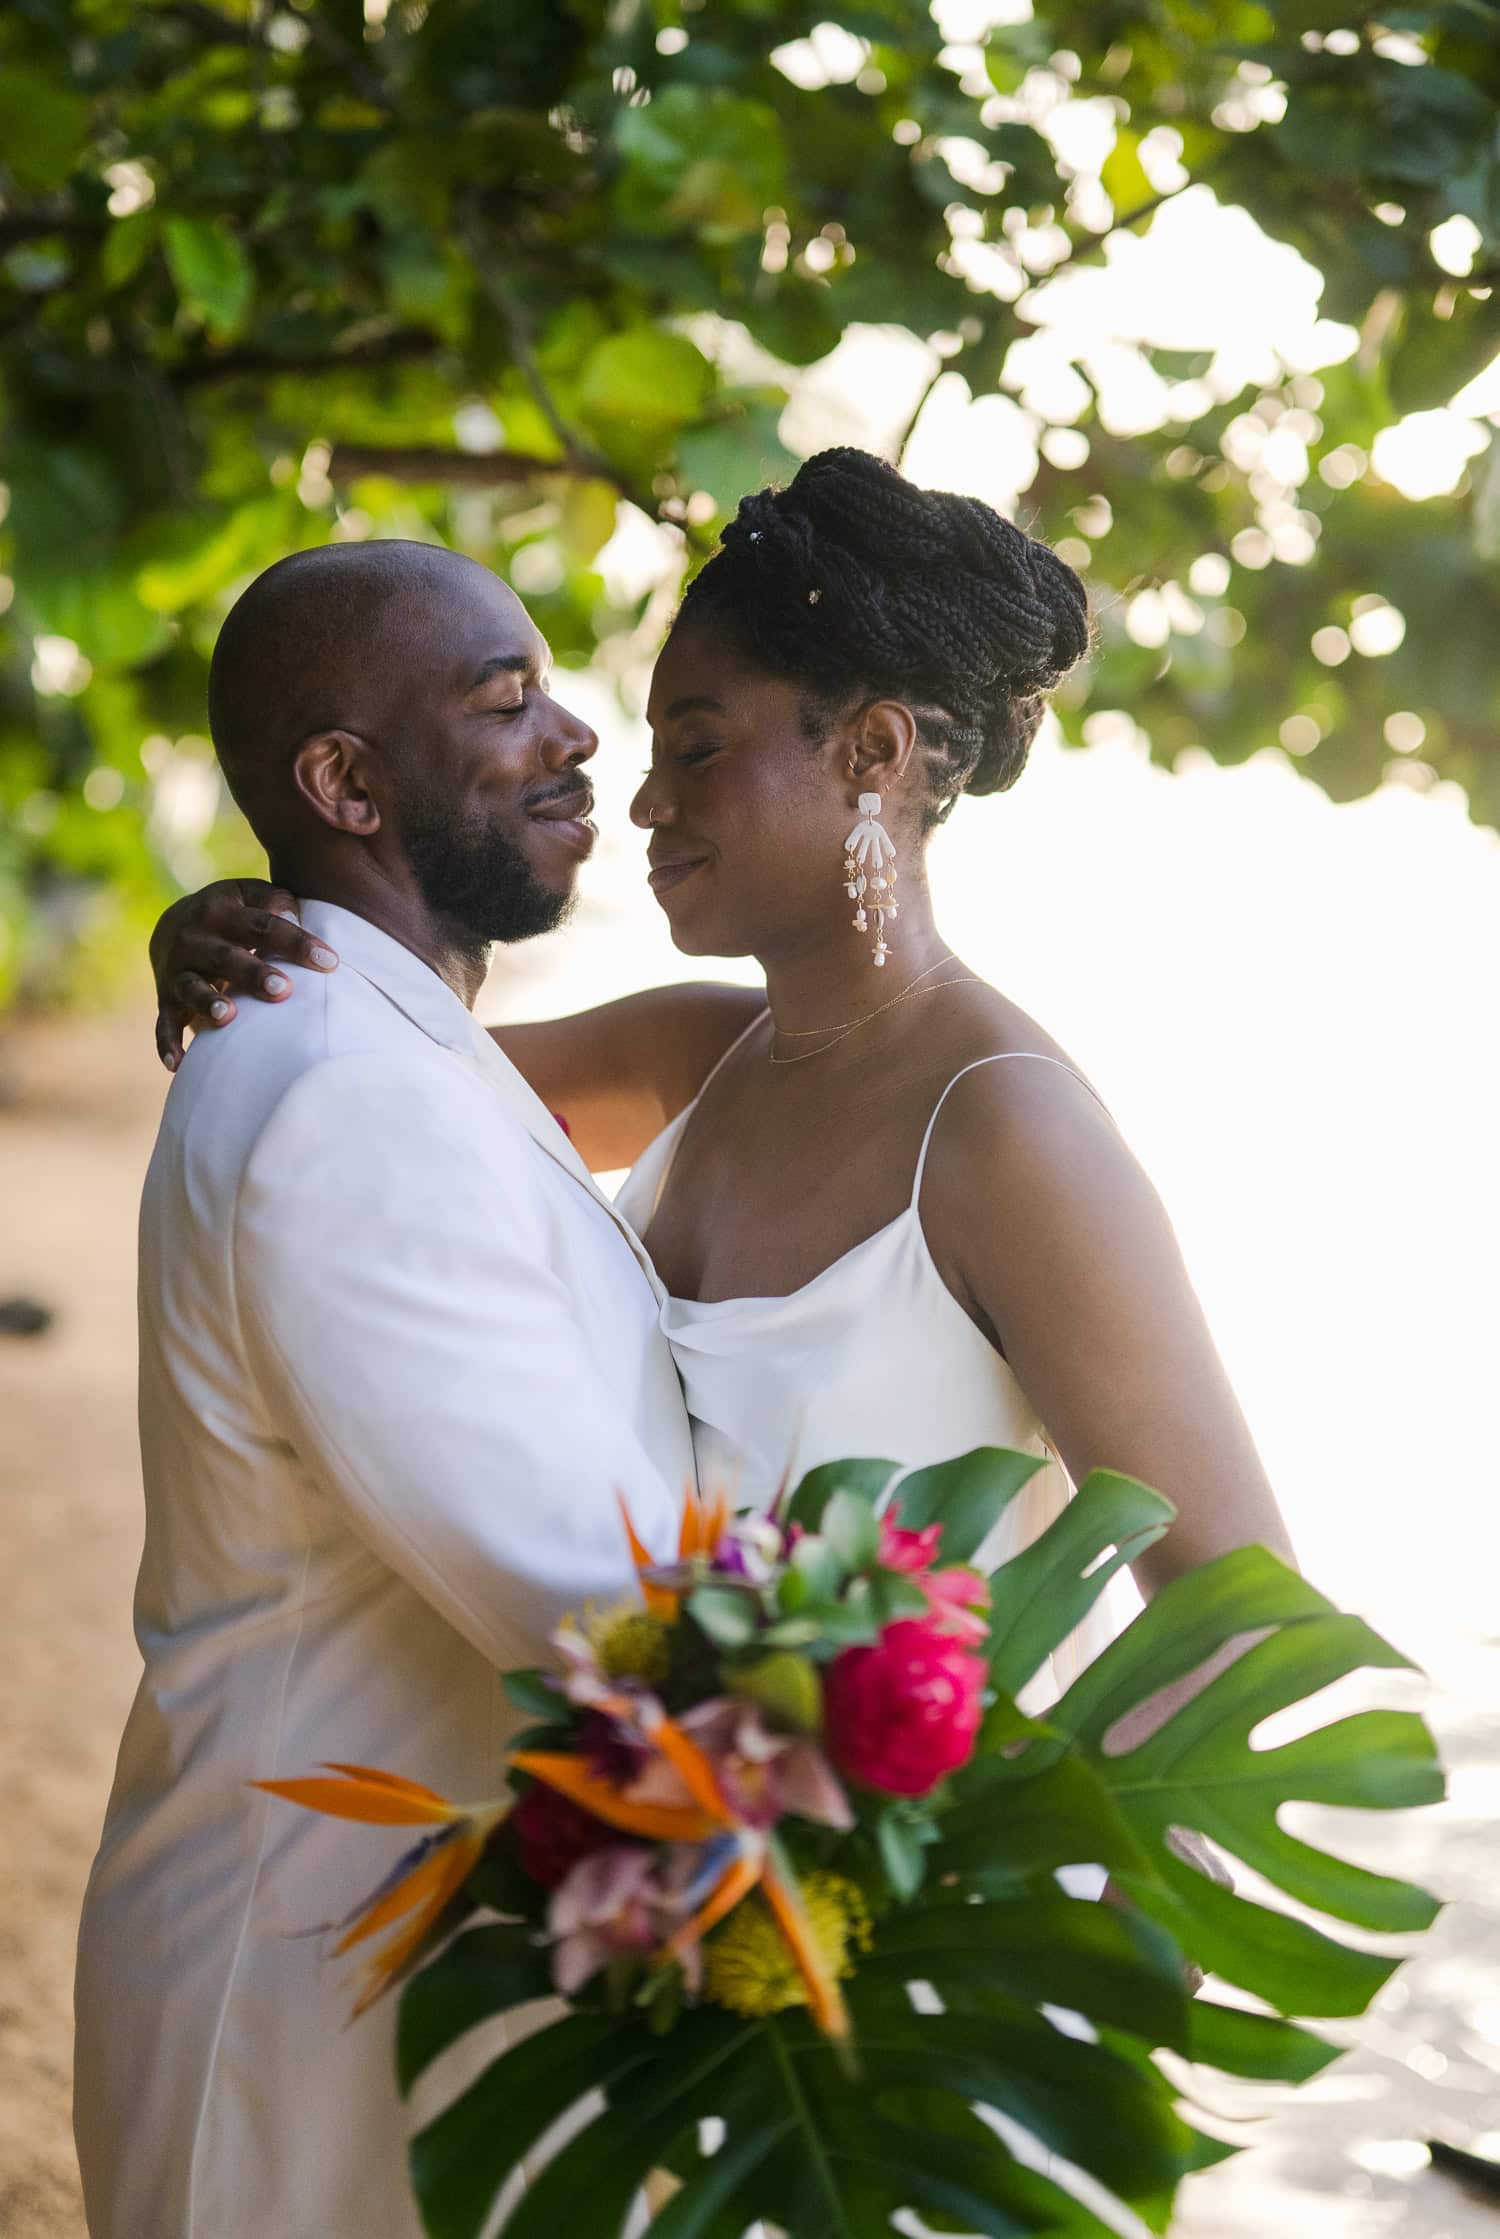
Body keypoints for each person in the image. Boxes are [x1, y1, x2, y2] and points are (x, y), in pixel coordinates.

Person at [157, 452, 1293, 1637]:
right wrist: (232, 926)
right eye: (653, 753)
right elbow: (372, 1074)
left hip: (956, 1802)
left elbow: (1243, 1616)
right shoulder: (694, 1056)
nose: (643, 803)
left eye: (696, 749)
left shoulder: (1008, 1128)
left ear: (872, 752)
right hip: (712, 1793)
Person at [75, 541, 698, 2239]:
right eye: (505, 700)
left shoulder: (390, 1043)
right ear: (344, 781)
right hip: (308, 1985)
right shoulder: (347, 1085)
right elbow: (595, 1594)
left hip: (399, 1952)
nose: (575, 732)